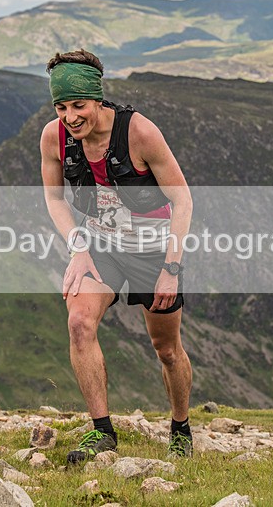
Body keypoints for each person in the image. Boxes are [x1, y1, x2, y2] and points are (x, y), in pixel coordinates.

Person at [40, 49, 194, 462]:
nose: (70, 117)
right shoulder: (53, 136)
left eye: (78, 106)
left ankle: (180, 426)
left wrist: (170, 269)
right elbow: (54, 199)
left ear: (97, 99)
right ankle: (102, 431)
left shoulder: (140, 132)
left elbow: (183, 201)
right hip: (99, 246)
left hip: (152, 249)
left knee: (166, 349)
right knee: (78, 321)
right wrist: (78, 248)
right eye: (61, 106)